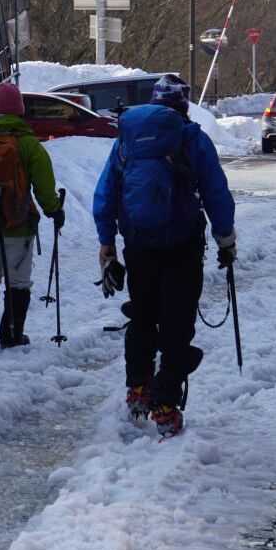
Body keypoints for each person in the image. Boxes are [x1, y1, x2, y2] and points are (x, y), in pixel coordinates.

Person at [92, 73, 236, 436]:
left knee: (143, 315)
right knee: (177, 323)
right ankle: (166, 406)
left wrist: (107, 242)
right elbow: (216, 192)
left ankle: (138, 389)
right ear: (184, 104)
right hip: (183, 243)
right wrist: (225, 240)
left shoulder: (127, 140)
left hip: (139, 243)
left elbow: (106, 191)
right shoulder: (192, 138)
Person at [0, 80, 64, 347]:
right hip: (18, 226)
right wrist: (54, 210)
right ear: (20, 110)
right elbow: (44, 187)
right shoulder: (29, 145)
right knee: (18, 282)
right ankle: (11, 334)